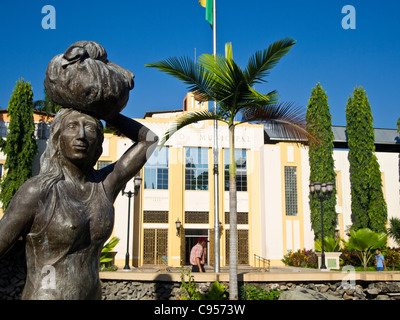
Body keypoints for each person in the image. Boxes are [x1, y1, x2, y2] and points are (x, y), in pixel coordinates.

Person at [0, 41, 158, 300]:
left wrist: (107, 113)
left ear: (99, 141)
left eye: (91, 129)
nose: (82, 135)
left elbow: (149, 141)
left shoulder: (104, 185)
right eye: (72, 127)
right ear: (57, 137)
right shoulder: (38, 191)